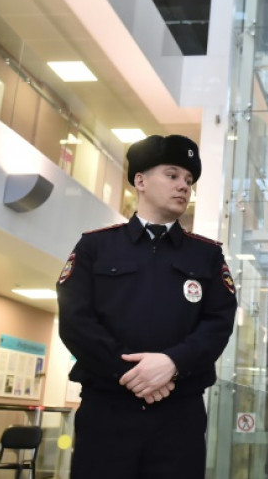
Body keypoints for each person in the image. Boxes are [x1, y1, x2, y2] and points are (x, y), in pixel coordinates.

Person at [57, 134, 237, 479]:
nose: (183, 186)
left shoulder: (206, 255)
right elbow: (75, 320)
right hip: (107, 410)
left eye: (189, 180)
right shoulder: (96, 246)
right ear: (140, 181)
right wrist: (130, 373)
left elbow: (218, 323)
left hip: (179, 416)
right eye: (172, 175)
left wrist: (173, 363)